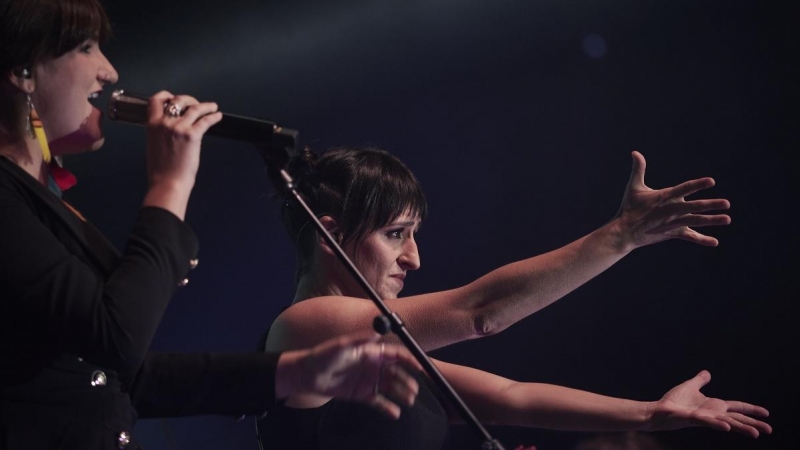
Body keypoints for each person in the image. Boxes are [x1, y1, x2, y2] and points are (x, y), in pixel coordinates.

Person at [0, 1, 421, 449]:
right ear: (25, 69)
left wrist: (294, 372)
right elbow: (116, 337)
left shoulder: (43, 201)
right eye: (86, 48)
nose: (109, 72)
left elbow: (122, 376)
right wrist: (170, 183)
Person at [259, 146, 772, 449]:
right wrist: (622, 235)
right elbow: (479, 314)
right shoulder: (306, 326)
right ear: (328, 237)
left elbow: (510, 397)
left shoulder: (381, 353)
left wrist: (650, 413)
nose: (413, 259)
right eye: (396, 234)